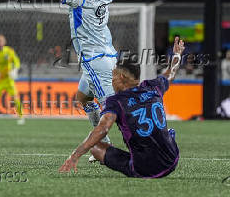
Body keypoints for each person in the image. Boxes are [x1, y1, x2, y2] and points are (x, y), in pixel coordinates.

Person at [30, 0, 141, 161]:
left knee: (115, 110)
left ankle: (142, 146)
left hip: (95, 61)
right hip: (106, 57)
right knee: (83, 98)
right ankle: (104, 143)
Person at [59, 37, 184, 178]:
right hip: (172, 160)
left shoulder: (116, 101)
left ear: (122, 77)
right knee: (160, 133)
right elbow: (170, 74)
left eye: (113, 75)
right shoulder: (154, 86)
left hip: (143, 169)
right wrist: (177, 54)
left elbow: (102, 129)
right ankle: (167, 137)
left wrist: (75, 155)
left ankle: (144, 151)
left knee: (95, 148)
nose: (112, 80)